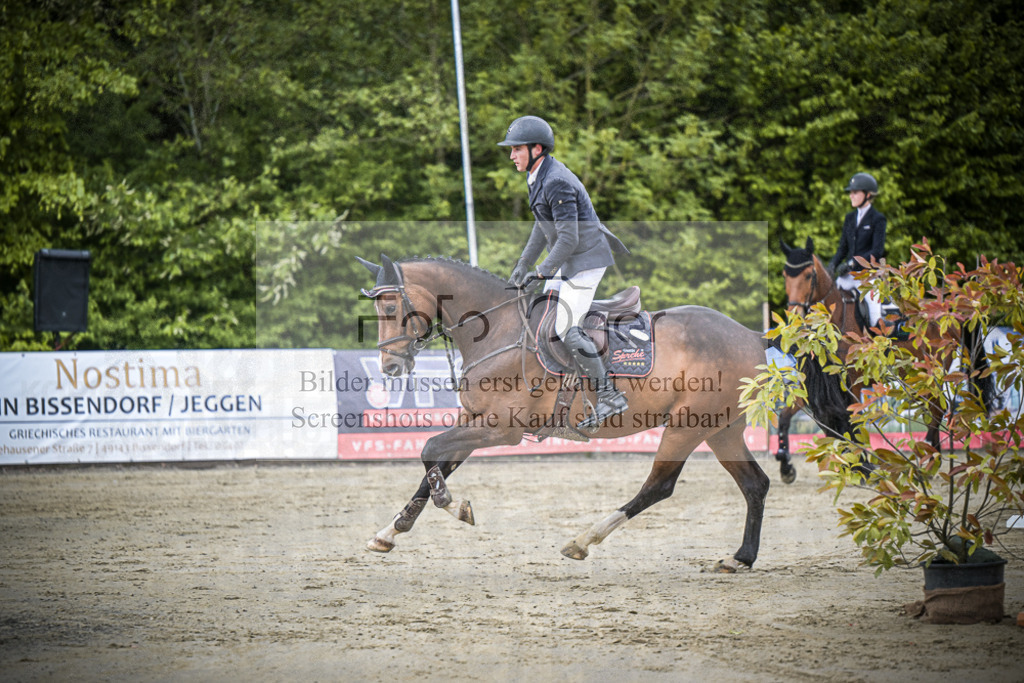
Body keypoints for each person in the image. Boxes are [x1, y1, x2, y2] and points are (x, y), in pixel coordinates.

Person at [498, 115, 630, 429]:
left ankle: (610, 395)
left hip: (585, 260)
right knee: (539, 315)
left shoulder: (556, 179)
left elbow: (568, 237)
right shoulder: (539, 176)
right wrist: (523, 264)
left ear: (536, 148)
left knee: (565, 328)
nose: (512, 155)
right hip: (570, 257)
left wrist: (542, 270)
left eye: (517, 149)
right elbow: (543, 228)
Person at [829, 172, 887, 328]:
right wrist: (832, 264)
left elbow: (877, 251)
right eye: (850, 193)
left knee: (874, 317)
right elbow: (842, 248)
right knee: (827, 302)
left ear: (867, 195)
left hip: (867, 277)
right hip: (847, 277)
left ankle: (878, 346)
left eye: (855, 192)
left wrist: (852, 263)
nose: (851, 196)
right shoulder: (849, 218)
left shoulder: (878, 219)